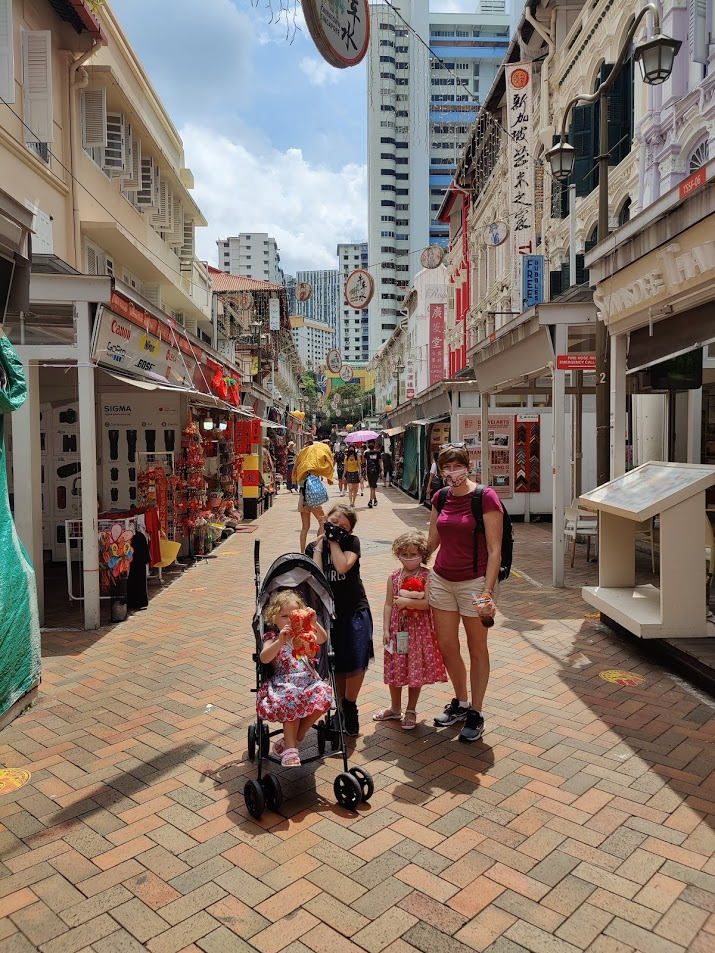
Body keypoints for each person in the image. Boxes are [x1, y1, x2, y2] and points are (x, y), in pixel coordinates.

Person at [427, 445, 503, 743]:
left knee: (477, 648)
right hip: (442, 580)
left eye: (456, 466)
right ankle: (460, 702)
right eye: (446, 468)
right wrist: (412, 561)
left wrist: (487, 592)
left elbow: (495, 550)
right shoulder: (440, 497)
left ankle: (476, 711)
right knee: (447, 645)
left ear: (467, 466)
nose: (451, 473)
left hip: (475, 583)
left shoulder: (485, 496)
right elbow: (432, 541)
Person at [307, 503, 372, 737]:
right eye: (333, 522)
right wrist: (319, 546)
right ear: (326, 519)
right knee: (337, 662)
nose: (337, 528)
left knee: (357, 659)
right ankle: (341, 708)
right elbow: (316, 578)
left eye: (343, 526)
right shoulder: (313, 547)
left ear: (350, 531)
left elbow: (343, 566)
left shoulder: (351, 543)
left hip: (354, 609)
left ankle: (349, 706)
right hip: (328, 613)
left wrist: (334, 541)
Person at [374, 530, 447, 730]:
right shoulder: (394, 576)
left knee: (415, 669)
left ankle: (411, 709)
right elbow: (388, 604)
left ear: (422, 554)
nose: (408, 558)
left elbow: (428, 603)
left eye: (413, 554)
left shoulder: (427, 575)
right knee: (395, 668)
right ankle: (395, 707)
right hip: (398, 630)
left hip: (419, 632)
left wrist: (407, 602)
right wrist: (385, 629)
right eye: (404, 554)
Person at [257, 590, 332, 767]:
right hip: (284, 683)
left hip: (308, 681)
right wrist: (280, 642)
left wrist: (313, 622)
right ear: (273, 618)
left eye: (294, 615)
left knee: (325, 694)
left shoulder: (306, 633)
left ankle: (296, 737)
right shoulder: (273, 637)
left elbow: (322, 639)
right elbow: (264, 658)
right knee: (291, 697)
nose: (290, 620)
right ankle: (291, 749)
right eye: (284, 616)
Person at [292, 440, 335, 552]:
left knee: (305, 527)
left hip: (302, 498)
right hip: (312, 499)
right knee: (323, 523)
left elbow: (295, 469)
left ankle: (302, 552)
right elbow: (328, 464)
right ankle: (316, 549)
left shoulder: (302, 466)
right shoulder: (314, 467)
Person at [364, 440, 383, 509]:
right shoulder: (366, 453)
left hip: (376, 471)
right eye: (369, 443)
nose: (370, 444)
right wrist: (364, 472)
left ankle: (370, 501)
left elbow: (380, 462)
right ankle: (375, 499)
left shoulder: (378, 453)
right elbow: (365, 463)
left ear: (374, 444)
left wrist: (382, 470)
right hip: (369, 472)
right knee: (372, 487)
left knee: (372, 486)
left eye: (372, 443)